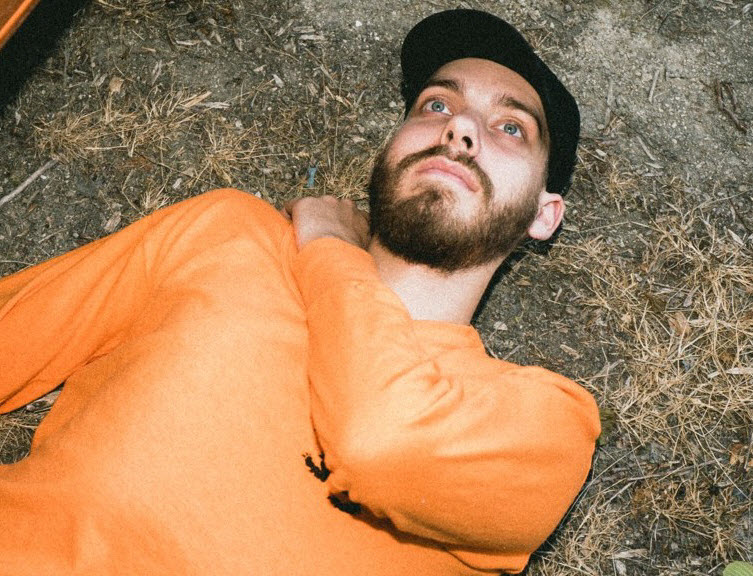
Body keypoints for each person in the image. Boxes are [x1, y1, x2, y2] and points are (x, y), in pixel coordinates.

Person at [0, 9, 599, 576]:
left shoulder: (544, 425)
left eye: (511, 127)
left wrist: (331, 251)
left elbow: (378, 442)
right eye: (436, 103)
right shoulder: (230, 233)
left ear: (543, 216)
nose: (460, 125)